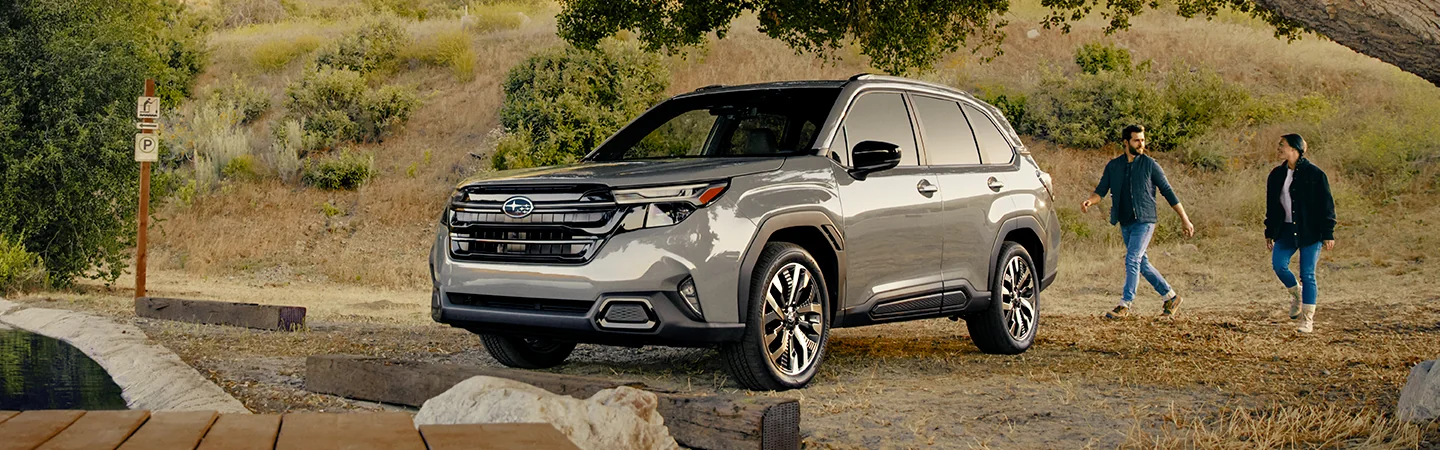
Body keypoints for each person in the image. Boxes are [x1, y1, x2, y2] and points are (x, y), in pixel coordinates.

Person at [1082, 125, 1196, 319]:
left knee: (1132, 259)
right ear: (1126, 143)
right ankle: (1171, 297)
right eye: (1137, 140)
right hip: (1125, 221)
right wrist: (1090, 201)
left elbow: (1168, 192)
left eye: (1142, 140)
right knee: (1141, 263)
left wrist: (1184, 219)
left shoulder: (1150, 165)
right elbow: (1100, 191)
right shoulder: (1113, 166)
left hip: (1145, 220)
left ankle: (1125, 305)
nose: (1141, 144)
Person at [1265, 134, 1336, 333]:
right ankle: (1296, 293)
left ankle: (1307, 319)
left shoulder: (1315, 174)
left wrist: (1328, 232)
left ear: (1295, 149)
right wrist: (1269, 232)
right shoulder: (1276, 175)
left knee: (1308, 274)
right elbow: (1271, 206)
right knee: (1279, 265)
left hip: (1310, 231)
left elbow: (1327, 205)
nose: (1278, 148)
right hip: (1285, 230)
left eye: (1282, 145)